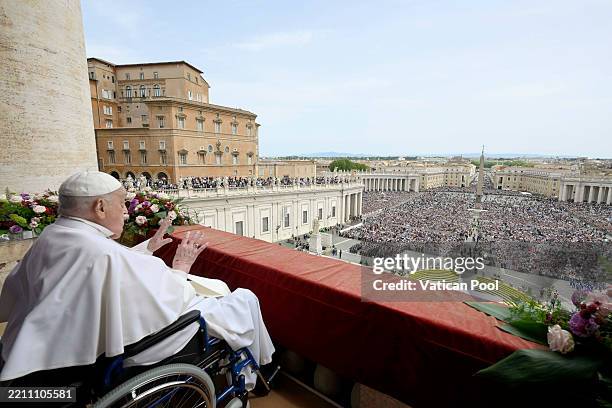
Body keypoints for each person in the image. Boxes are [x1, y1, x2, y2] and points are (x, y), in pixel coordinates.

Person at [0, 171, 274, 389]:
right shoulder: (100, 250)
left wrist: (148, 248)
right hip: (137, 347)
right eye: (122, 204)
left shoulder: (56, 234)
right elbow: (166, 298)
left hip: (49, 342)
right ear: (100, 206)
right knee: (243, 298)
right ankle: (260, 367)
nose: (126, 211)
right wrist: (180, 267)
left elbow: (104, 269)